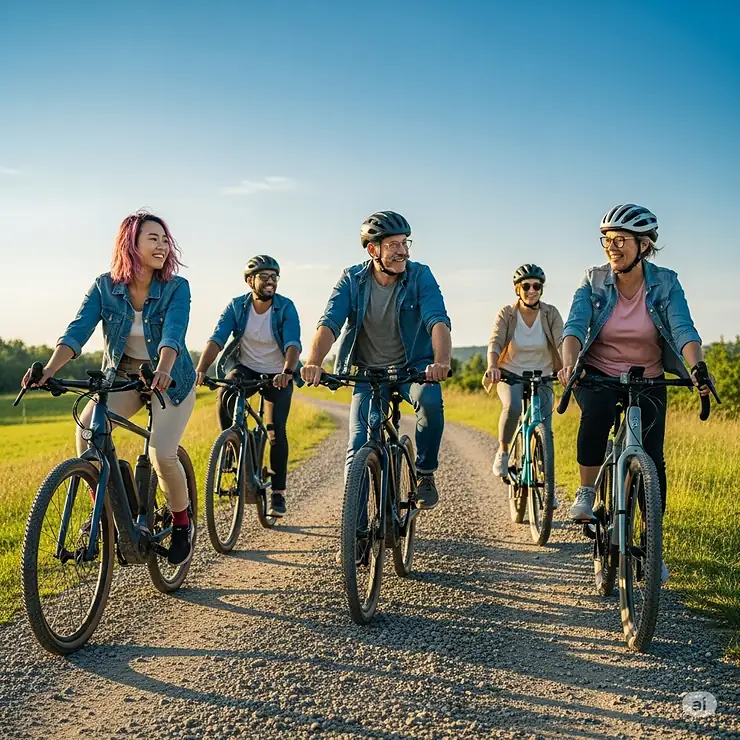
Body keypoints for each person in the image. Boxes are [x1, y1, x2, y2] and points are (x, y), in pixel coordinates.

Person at [22, 210, 196, 564]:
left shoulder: (177, 287)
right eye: (153, 238)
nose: (162, 245)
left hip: (170, 377)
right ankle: (101, 513)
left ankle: (181, 521)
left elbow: (173, 334)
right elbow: (76, 333)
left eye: (165, 240)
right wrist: (49, 370)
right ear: (131, 242)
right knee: (88, 430)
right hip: (123, 375)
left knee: (162, 453)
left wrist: (162, 371)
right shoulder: (104, 286)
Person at [558, 203, 712, 583]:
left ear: (644, 245)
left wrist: (697, 367)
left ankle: (651, 543)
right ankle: (587, 491)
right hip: (598, 373)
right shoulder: (593, 280)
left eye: (621, 240)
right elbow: (575, 326)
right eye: (607, 240)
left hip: (649, 377)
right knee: (596, 416)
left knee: (652, 460)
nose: (612, 247)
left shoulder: (665, 282)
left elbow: (683, 329)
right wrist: (570, 363)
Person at [301, 210, 452, 510]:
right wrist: (314, 362)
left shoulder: (420, 275)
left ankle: (424, 473)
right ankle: (355, 534)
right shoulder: (352, 280)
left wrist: (441, 361)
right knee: (358, 445)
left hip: (415, 369)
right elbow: (329, 322)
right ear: (373, 250)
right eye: (394, 245)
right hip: (369, 374)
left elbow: (438, 321)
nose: (403, 251)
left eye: (405, 243)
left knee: (431, 403)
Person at [195, 255, 301, 517]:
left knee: (275, 430)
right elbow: (217, 338)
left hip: (278, 373)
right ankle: (233, 446)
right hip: (246, 368)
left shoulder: (285, 307)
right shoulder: (237, 306)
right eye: (264, 277)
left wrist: (287, 371)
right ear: (249, 281)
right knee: (225, 395)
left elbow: (293, 343)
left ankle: (278, 493)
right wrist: (201, 369)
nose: (271, 282)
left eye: (274, 277)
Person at [484, 264, 563, 506]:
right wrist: (493, 366)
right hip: (510, 374)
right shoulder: (507, 314)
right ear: (518, 289)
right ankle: (504, 452)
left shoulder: (550, 314)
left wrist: (567, 367)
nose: (532, 291)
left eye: (536, 286)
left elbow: (561, 341)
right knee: (514, 408)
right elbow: (496, 342)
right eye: (526, 286)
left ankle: (548, 487)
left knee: (545, 428)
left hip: (544, 375)